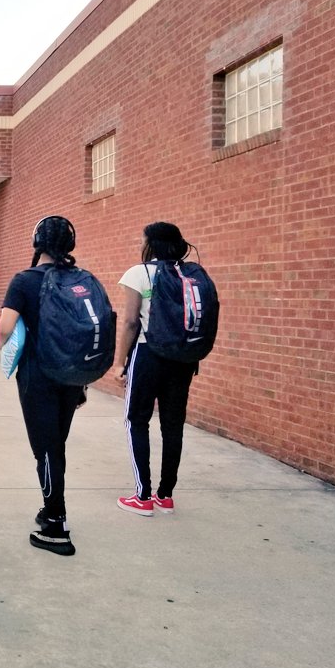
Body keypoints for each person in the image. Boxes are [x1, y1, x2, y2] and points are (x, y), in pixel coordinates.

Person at [0, 215, 86, 557]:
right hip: (72, 377)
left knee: (45, 450)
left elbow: (4, 329)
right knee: (56, 445)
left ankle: (55, 523)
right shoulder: (80, 278)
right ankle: (52, 504)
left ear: (37, 242)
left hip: (38, 376)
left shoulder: (25, 280)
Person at [114, 221, 198, 516]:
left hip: (148, 353)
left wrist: (119, 362)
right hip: (183, 358)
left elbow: (130, 322)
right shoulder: (188, 274)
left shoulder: (141, 273)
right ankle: (165, 496)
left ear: (151, 244)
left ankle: (143, 496)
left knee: (137, 420)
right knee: (172, 425)